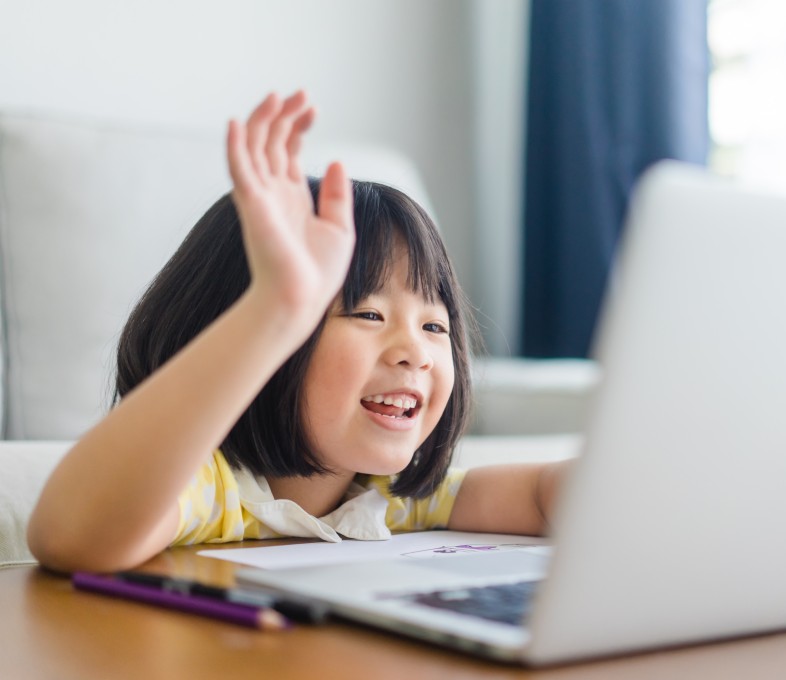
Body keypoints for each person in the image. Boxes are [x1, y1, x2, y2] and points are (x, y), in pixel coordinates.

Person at [28, 91, 568, 574]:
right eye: (368, 314)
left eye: (434, 326)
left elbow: (548, 497)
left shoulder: (391, 497)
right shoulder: (212, 489)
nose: (416, 354)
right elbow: (71, 537)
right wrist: (275, 308)